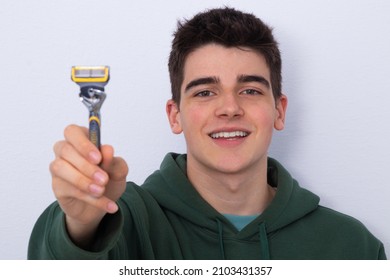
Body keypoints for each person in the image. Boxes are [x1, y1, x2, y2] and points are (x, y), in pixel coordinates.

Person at [28, 7, 386, 260]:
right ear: (175, 115)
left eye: (250, 90)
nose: (229, 108)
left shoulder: (352, 248)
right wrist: (80, 225)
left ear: (279, 111)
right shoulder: (125, 223)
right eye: (204, 91)